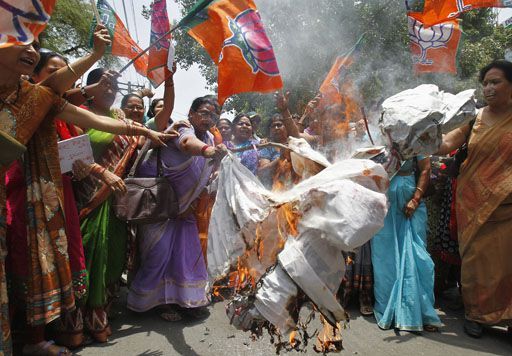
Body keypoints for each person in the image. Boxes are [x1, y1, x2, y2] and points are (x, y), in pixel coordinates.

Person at [0, 37, 172, 355]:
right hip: (19, 194)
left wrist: (145, 131)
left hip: (48, 195)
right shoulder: (26, 94)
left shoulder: (40, 98)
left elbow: (95, 120)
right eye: (19, 41)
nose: (29, 50)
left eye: (34, 45)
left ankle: (30, 340)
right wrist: (94, 54)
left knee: (38, 264)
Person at [127, 96, 225, 321]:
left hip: (186, 209)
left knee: (187, 256)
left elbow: (204, 176)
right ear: (191, 113)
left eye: (212, 115)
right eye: (203, 112)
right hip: (159, 206)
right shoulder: (182, 128)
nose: (207, 118)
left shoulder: (210, 136)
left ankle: (187, 301)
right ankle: (154, 303)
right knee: (158, 255)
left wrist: (191, 203)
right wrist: (208, 151)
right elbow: (186, 143)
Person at [436, 60, 512, 338]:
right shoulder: (474, 118)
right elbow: (445, 144)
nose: (489, 88)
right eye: (486, 83)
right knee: (477, 261)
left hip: (509, 208)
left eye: (496, 82)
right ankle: (476, 315)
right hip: (474, 204)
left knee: (508, 263)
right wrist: (418, 135)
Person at [371, 156, 442, 332]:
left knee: (417, 255)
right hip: (383, 199)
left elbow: (425, 168)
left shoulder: (415, 129)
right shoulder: (376, 132)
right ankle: (391, 309)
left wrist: (416, 199)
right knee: (385, 256)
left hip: (409, 199)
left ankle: (422, 312)